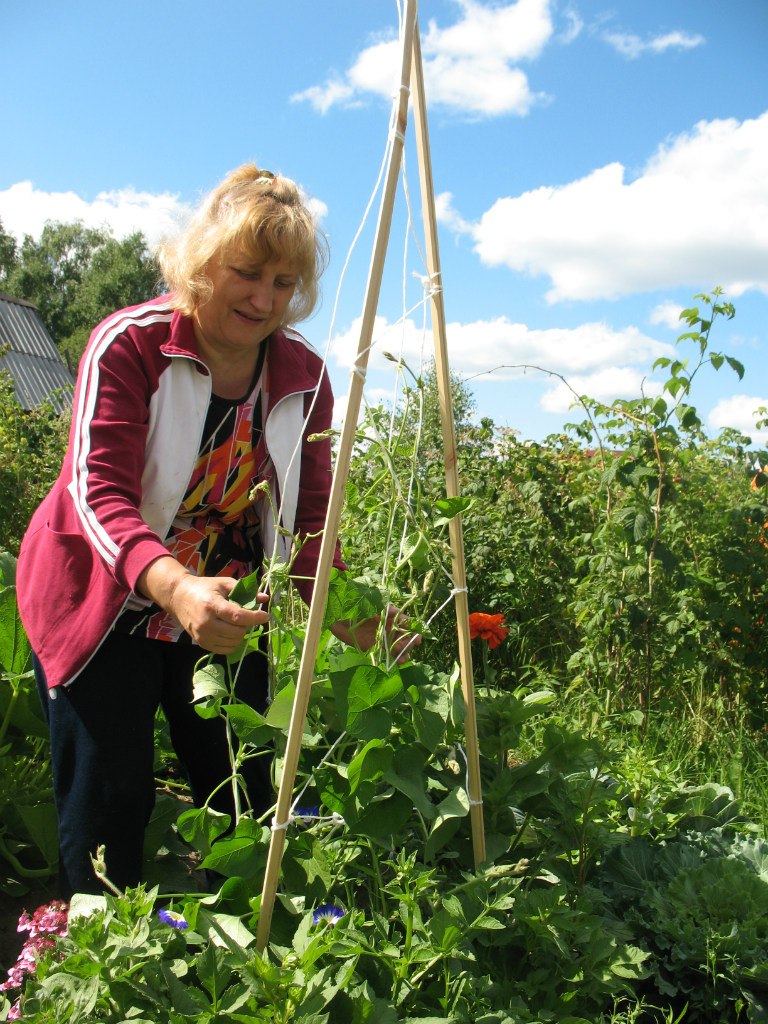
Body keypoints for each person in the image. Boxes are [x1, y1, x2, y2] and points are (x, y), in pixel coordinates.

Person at [17, 164, 417, 900]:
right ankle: (100, 970)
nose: (265, 299)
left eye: (285, 282)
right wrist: (173, 587)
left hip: (225, 605)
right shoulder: (132, 345)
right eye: (248, 272)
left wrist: (356, 620)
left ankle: (232, 960)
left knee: (245, 790)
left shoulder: (303, 377)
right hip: (104, 597)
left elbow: (309, 524)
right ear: (203, 263)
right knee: (113, 797)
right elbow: (95, 493)